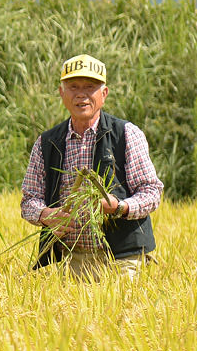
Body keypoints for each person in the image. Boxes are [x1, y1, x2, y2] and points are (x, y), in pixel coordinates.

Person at [20, 54, 164, 279]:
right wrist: (46, 215)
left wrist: (120, 207)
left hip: (123, 258)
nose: (81, 94)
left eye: (90, 87)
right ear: (62, 93)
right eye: (73, 87)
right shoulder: (47, 143)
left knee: (124, 303)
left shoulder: (127, 134)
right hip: (71, 258)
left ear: (104, 94)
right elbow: (29, 200)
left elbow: (152, 191)